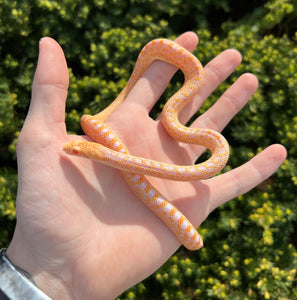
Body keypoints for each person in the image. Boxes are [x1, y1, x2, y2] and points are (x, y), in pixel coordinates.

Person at [2, 32, 286, 300]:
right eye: (78, 151)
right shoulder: (108, 151)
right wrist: (52, 276)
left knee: (99, 125)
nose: (74, 151)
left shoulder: (114, 149)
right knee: (95, 125)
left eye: (78, 150)